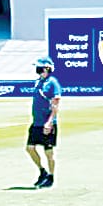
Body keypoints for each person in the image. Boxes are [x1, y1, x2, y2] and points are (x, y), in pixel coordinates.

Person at [26, 57, 61, 188]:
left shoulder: (52, 83)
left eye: (39, 67)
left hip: (47, 122)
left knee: (48, 152)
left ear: (46, 68)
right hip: (36, 122)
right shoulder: (38, 82)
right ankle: (42, 171)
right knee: (30, 148)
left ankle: (51, 177)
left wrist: (50, 122)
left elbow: (55, 103)